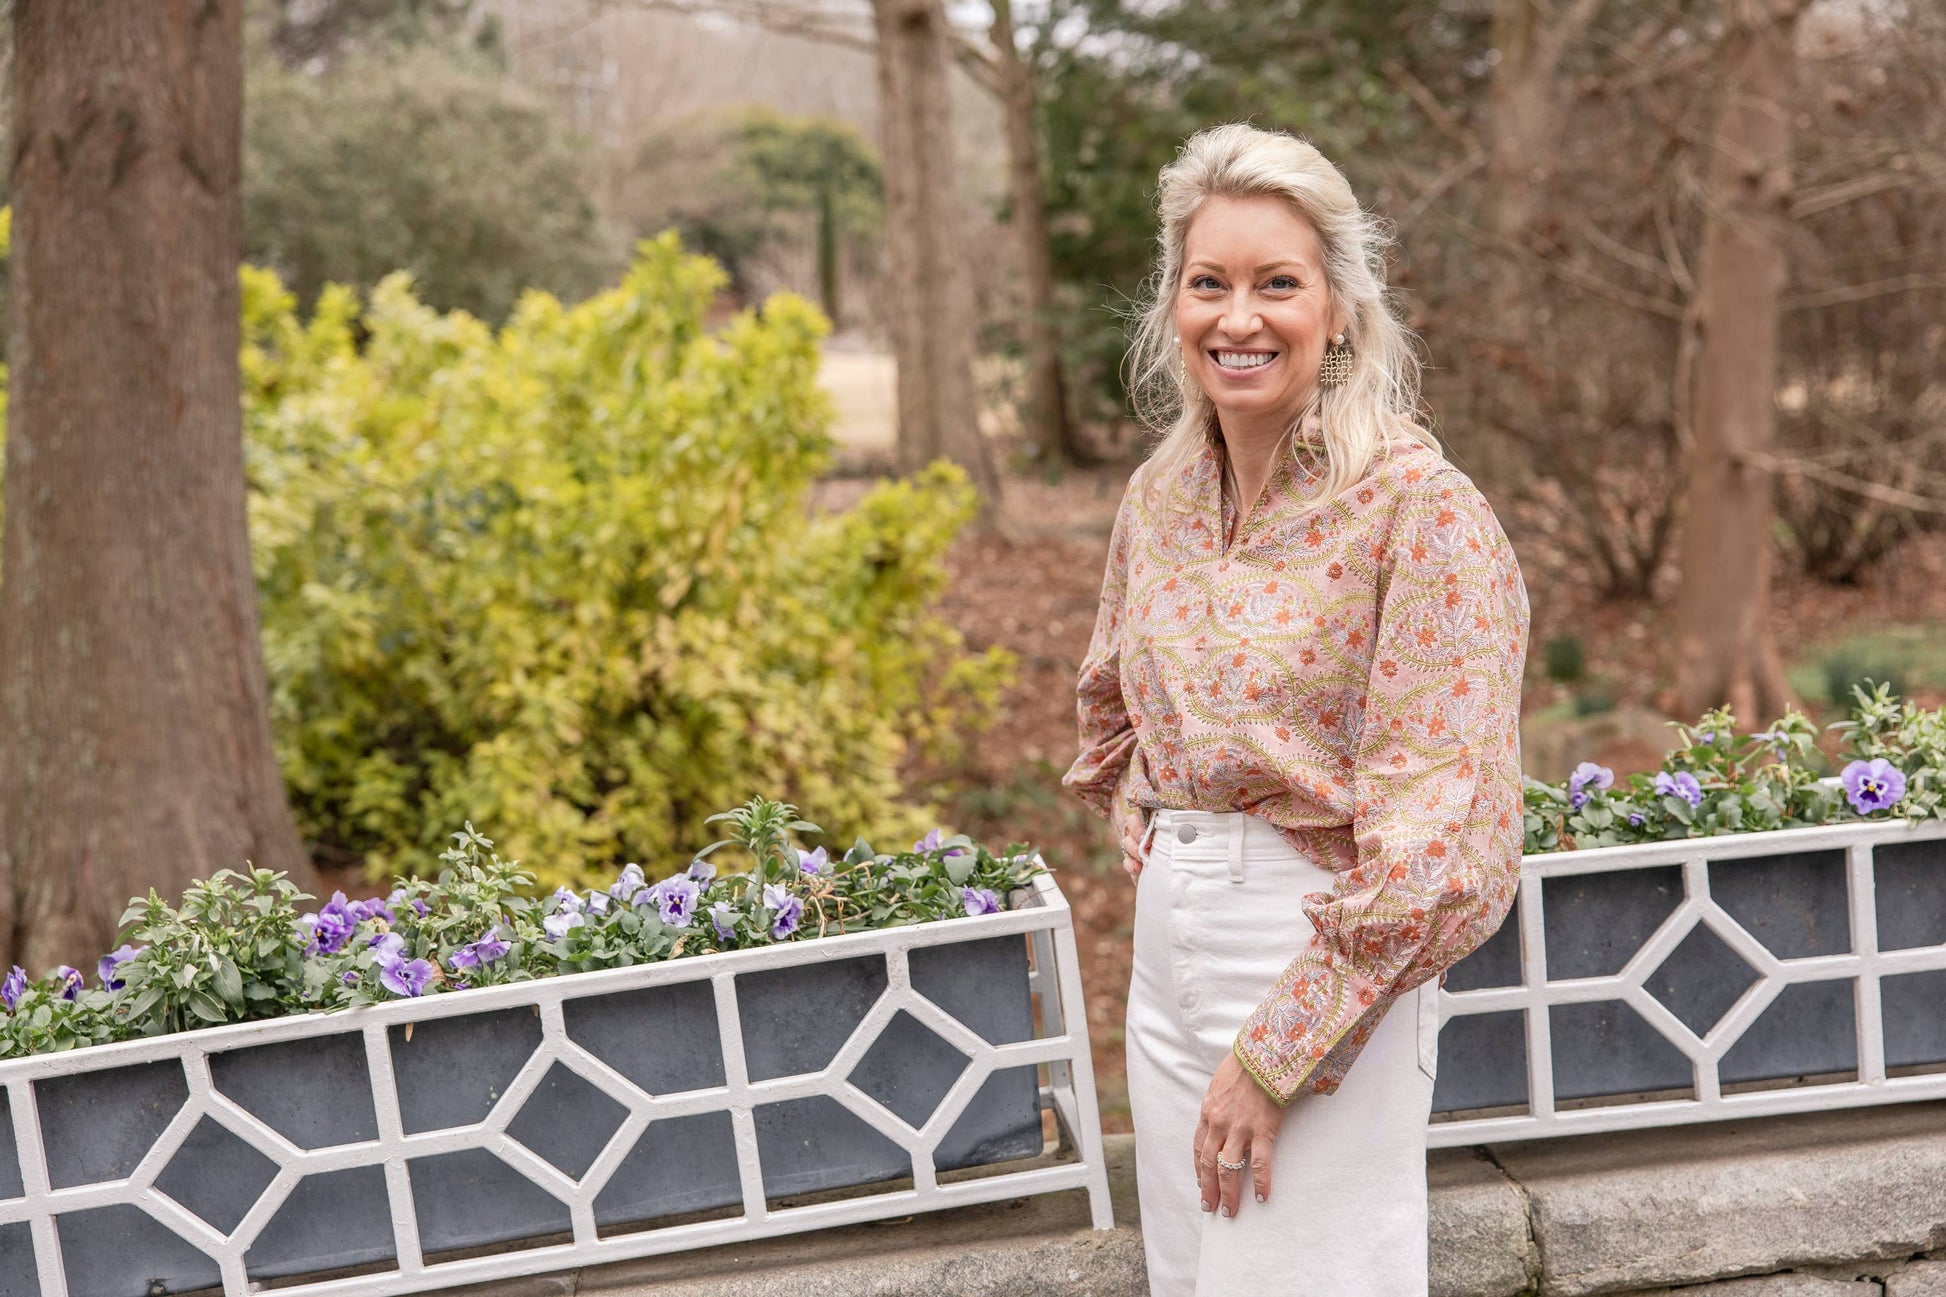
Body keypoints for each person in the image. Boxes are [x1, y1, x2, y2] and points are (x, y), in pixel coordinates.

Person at [1061, 123, 1530, 1296]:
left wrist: (1276, 1054)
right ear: (1171, 304)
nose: (1238, 318)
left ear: (1339, 309)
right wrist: (1148, 803)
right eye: (1206, 283)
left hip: (1317, 942)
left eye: (1276, 283)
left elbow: (1435, 837)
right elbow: (1124, 696)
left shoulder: (1415, 508)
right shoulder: (1159, 497)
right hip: (1165, 951)